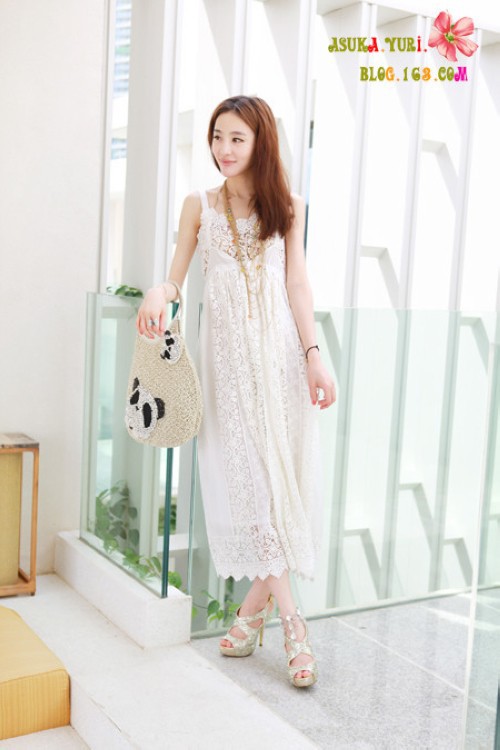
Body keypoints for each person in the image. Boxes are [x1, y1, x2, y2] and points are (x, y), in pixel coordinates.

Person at [137, 95, 336, 688]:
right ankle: (293, 626)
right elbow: (177, 277)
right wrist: (160, 293)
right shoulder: (199, 205)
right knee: (251, 492)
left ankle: (252, 616)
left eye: (236, 139)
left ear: (259, 143)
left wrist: (314, 358)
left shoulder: (288, 207)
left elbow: (297, 285)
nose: (223, 149)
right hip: (226, 371)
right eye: (217, 137)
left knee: (276, 492)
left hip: (279, 365)